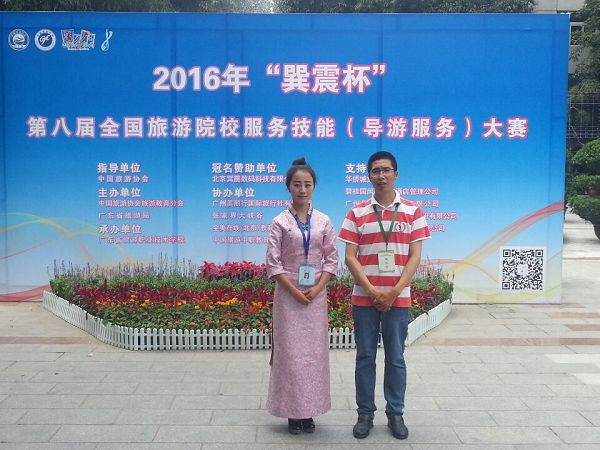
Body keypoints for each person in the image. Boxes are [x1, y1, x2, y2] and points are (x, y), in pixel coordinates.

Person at [338, 150, 430, 440]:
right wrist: (371, 289)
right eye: (376, 171)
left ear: (396, 174)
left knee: (396, 357)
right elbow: (349, 256)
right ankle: (364, 414)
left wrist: (395, 290)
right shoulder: (356, 213)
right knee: (365, 357)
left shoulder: (413, 211)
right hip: (364, 298)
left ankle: (395, 413)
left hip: (398, 299)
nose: (381, 176)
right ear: (369, 176)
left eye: (386, 170)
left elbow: (415, 256)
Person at [265, 157, 339, 435]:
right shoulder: (279, 222)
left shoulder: (324, 221)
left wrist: (317, 289)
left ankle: (309, 411)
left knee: (313, 356)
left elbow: (332, 260)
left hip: (315, 298)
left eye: (307, 184)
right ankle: (292, 414)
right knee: (290, 356)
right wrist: (294, 291)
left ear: (314, 187)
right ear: (288, 187)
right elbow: (273, 264)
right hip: (288, 298)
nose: (302, 189)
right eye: (297, 184)